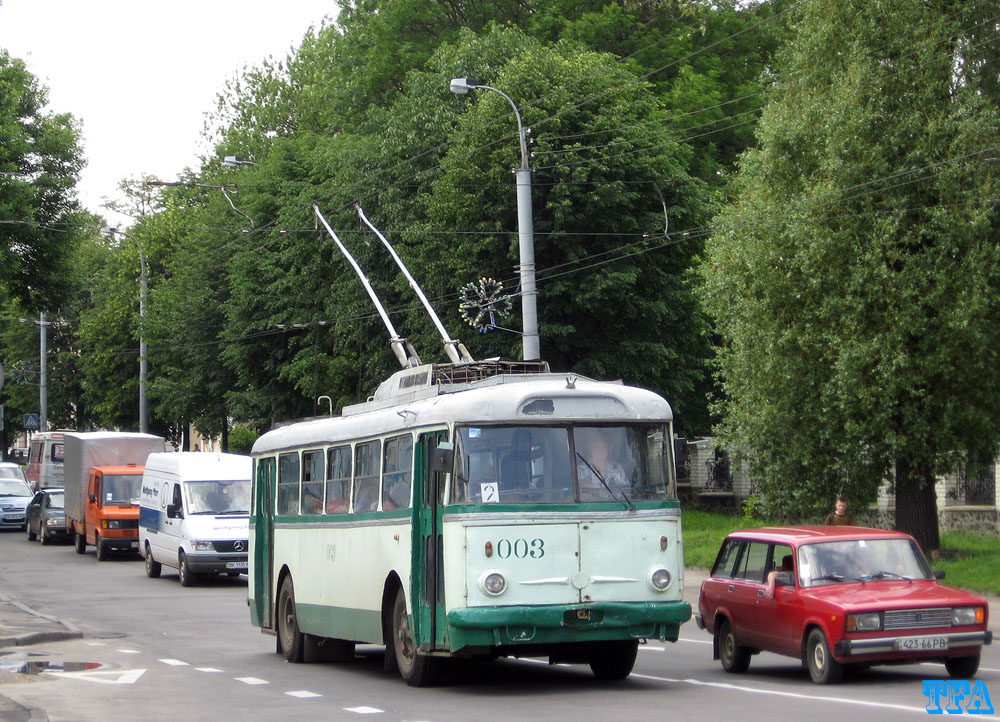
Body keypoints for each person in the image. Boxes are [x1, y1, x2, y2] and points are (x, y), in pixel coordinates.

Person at [576, 432, 628, 498]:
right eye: (597, 447)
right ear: (590, 449)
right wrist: (587, 486)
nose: (601, 450)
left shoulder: (616, 467)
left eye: (604, 447)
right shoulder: (582, 469)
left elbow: (627, 491)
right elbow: (578, 487)